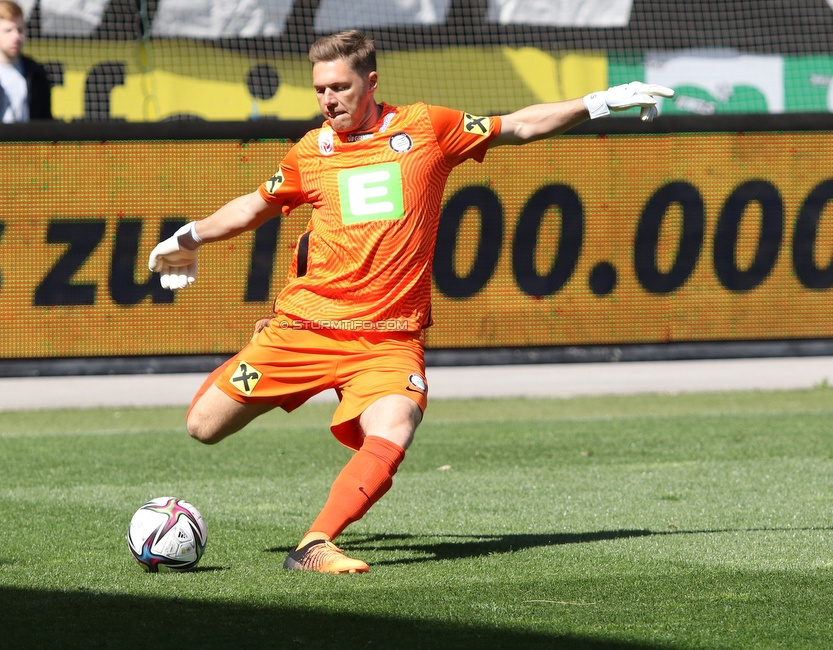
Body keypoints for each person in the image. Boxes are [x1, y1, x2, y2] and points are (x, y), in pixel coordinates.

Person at [148, 30, 673, 574]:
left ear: (370, 83)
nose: (329, 100)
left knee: (396, 422)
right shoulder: (313, 150)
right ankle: (263, 347)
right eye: (320, 89)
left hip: (387, 340)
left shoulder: (425, 128)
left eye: (340, 87)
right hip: (304, 329)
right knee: (202, 427)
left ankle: (315, 544)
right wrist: (187, 238)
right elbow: (252, 207)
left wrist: (597, 102)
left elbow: (518, 125)